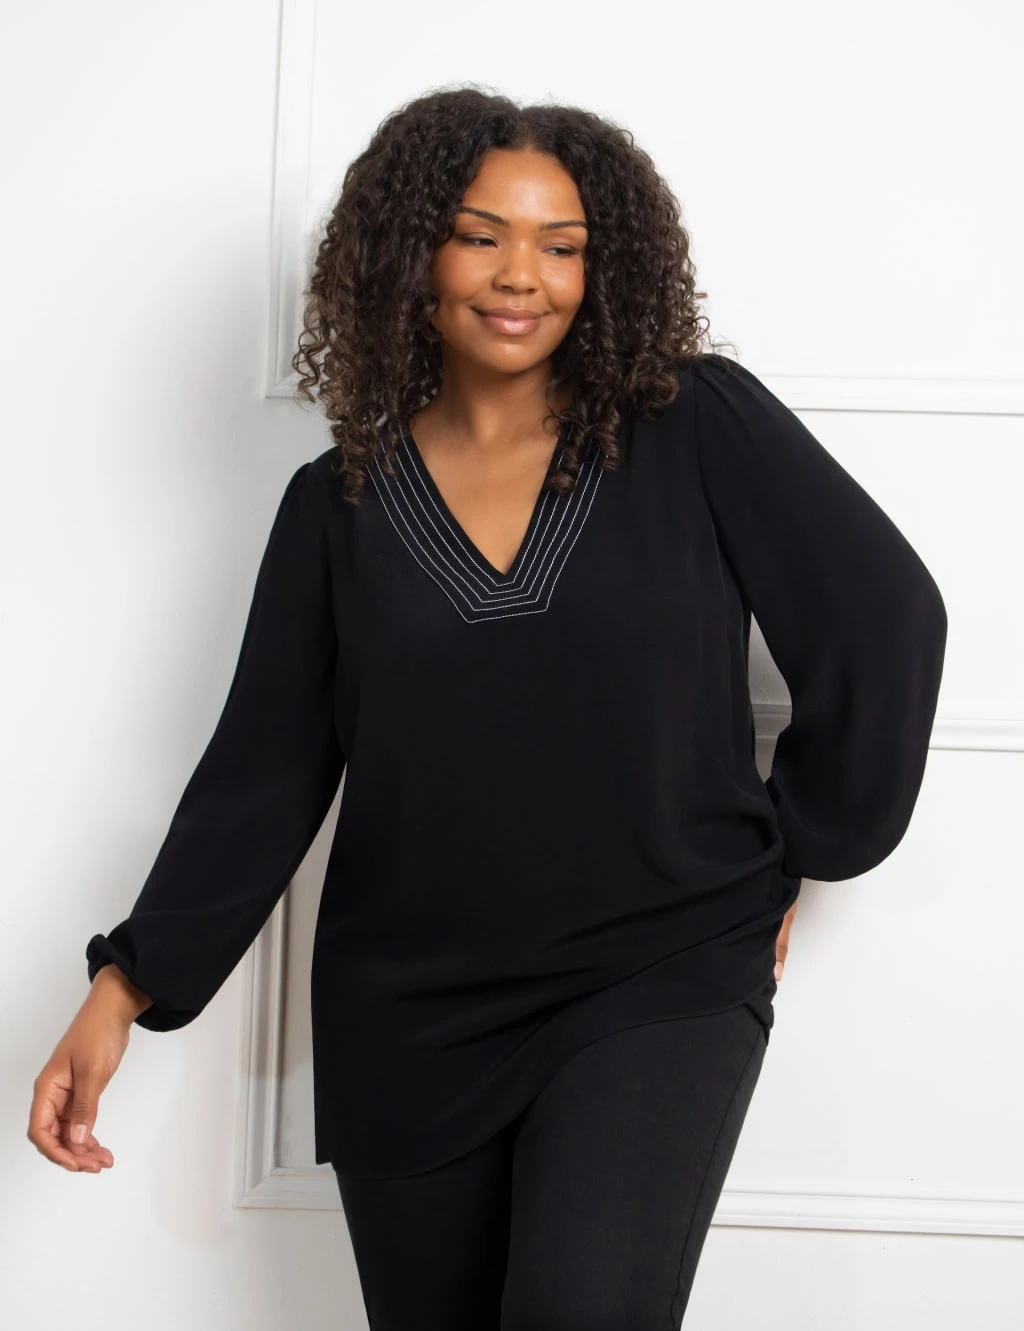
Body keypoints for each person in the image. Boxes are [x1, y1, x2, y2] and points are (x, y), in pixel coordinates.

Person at [28, 87, 948, 1328]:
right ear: (412, 253)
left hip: (657, 969)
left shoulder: (694, 425)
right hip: (410, 1017)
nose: (523, 275)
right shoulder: (337, 508)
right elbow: (263, 770)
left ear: (601, 267)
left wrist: (799, 845)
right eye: (481, 236)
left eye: (562, 245)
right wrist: (123, 986)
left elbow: (884, 616)